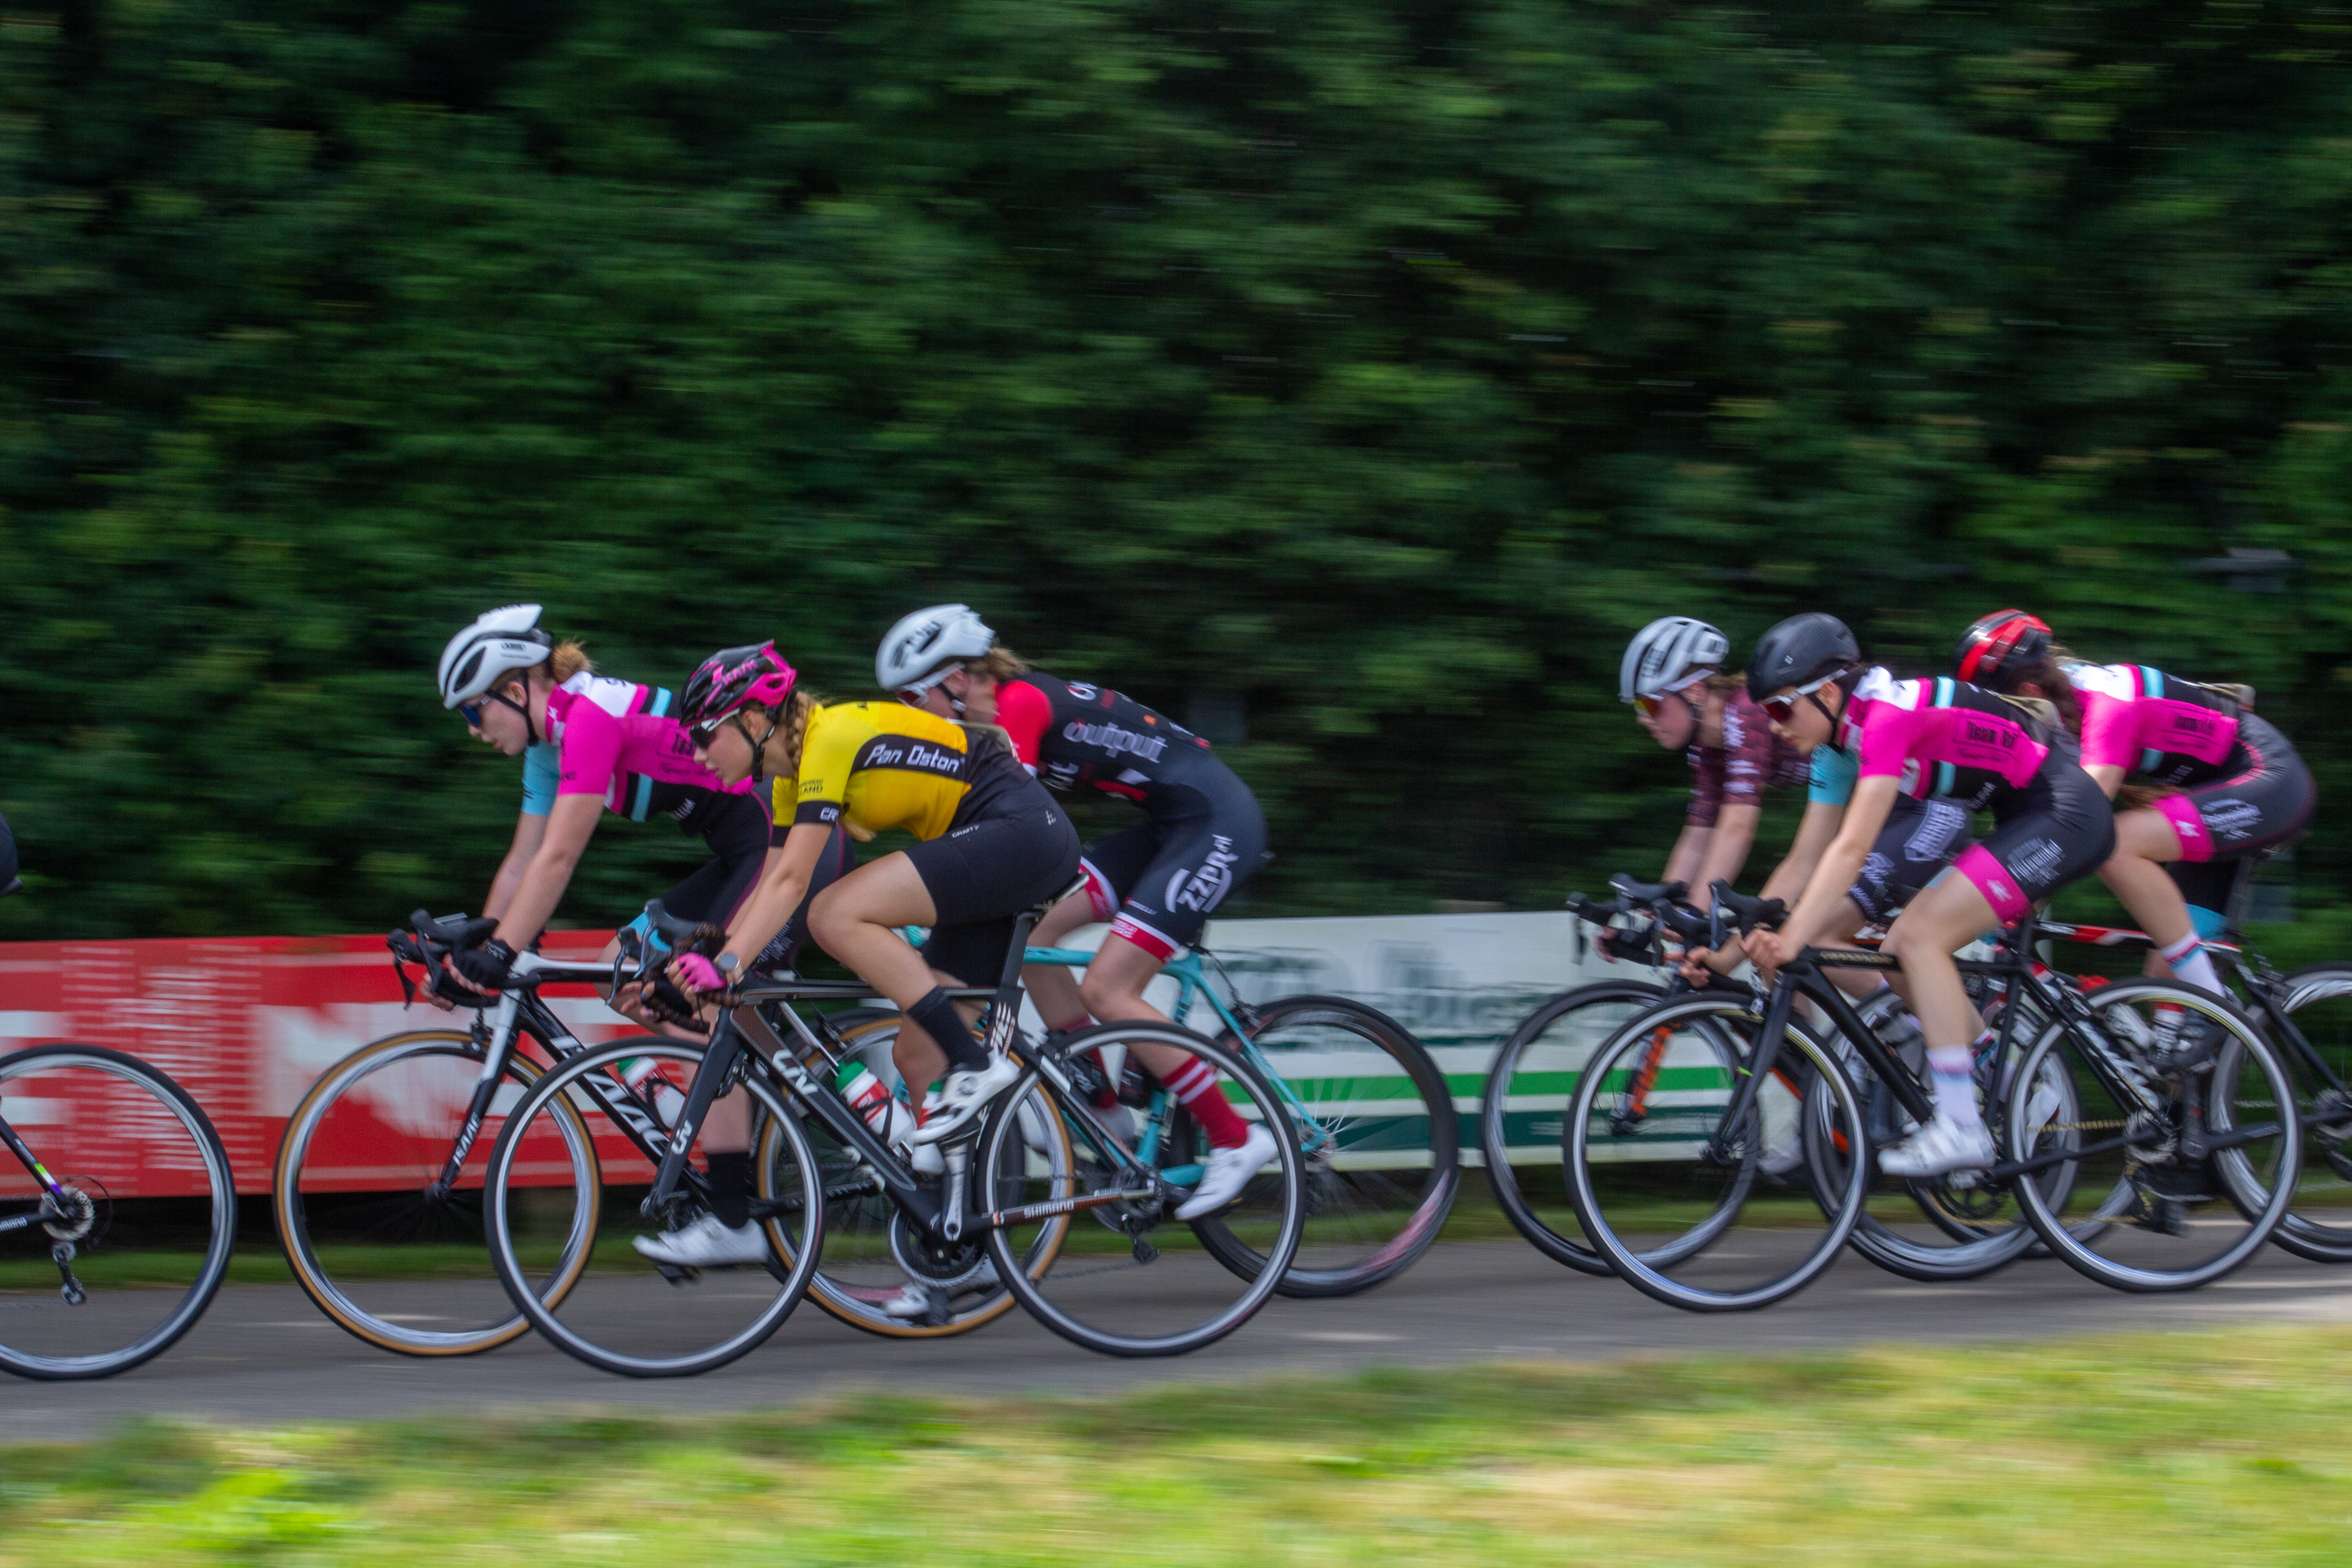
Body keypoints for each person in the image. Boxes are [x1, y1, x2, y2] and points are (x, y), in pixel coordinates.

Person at [433, 606, 850, 1267]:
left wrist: (501, 953)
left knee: (703, 1001)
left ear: (514, 691)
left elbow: (559, 860)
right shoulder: (550, 747)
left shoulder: (588, 719)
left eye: (472, 712)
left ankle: (737, 1211)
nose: (471, 730)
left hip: (779, 850)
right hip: (741, 853)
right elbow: (522, 862)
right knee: (621, 976)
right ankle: (747, 1117)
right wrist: (479, 949)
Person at [872, 604, 1279, 1195]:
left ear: (956, 680)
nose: (907, 715)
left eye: (911, 698)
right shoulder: (988, 712)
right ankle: (1103, 1106)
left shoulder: (1017, 705)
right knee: (1035, 936)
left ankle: (1237, 1139)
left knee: (1107, 989)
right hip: (1167, 826)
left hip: (1216, 823)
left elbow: (1005, 832)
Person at [1740, 612, 2116, 1177]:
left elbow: (1850, 848)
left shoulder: (1887, 718)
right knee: (1904, 944)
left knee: (1917, 938)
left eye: (1779, 707)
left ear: (1825, 692)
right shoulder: (1844, 740)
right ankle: (2011, 1088)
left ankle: (1962, 1124)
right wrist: (1737, 946)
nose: (1773, 726)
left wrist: (1792, 938)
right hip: (2021, 815)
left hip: (2064, 813)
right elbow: (1807, 856)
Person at [1952, 610, 2314, 1010]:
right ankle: (2185, 1056)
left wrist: (2002, 902)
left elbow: (2076, 825)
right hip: (2210, 797)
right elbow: (2027, 830)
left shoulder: (2108, 705)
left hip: (2266, 778)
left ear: (2029, 693)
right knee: (2168, 992)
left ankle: (2216, 1004)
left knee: (2116, 845)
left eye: (2004, 713)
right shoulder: (2062, 725)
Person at [1621, 616, 1808, 908]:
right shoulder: (1706, 745)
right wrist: (1660, 912)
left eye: (1649, 704)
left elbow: (1738, 828)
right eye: (1637, 706)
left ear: (1694, 691)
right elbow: (1697, 837)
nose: (1642, 718)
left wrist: (1695, 914)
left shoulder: (1746, 712)